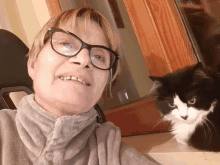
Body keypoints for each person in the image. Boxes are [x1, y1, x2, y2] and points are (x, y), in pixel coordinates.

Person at [0, 7, 159, 165]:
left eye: (98, 56)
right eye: (66, 44)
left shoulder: (110, 150)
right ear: (33, 64)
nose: (84, 60)